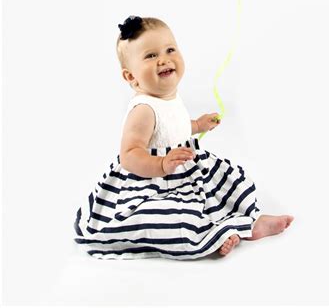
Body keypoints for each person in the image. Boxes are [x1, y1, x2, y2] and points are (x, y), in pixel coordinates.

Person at [73, 15, 294, 259]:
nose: (164, 60)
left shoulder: (170, 98)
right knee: (173, 215)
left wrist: (198, 125)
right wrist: (161, 164)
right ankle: (211, 235)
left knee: (230, 184)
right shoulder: (143, 110)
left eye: (170, 49)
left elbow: (172, 128)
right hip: (152, 182)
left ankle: (248, 224)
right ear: (131, 77)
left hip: (185, 168)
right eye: (151, 56)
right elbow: (129, 154)